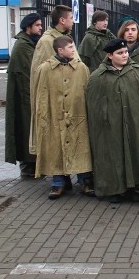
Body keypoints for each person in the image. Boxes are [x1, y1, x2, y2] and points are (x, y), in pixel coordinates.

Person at [86, 38, 139, 202]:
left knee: (136, 152)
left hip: (135, 122)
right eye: (120, 53)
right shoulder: (98, 76)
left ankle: (138, 186)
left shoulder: (138, 72)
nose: (124, 55)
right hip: (110, 125)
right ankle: (116, 189)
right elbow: (93, 104)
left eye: (125, 52)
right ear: (110, 55)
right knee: (114, 156)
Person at [31, 35, 93, 199]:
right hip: (54, 117)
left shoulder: (81, 68)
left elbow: (87, 92)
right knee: (55, 149)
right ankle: (58, 183)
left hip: (77, 116)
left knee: (80, 148)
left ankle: (85, 181)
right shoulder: (45, 69)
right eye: (71, 48)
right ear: (60, 50)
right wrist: (43, 116)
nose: (74, 50)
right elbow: (41, 95)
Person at [5, 12, 42, 180]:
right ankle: (28, 167)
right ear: (28, 28)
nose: (41, 28)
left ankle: (33, 165)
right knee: (26, 130)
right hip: (25, 97)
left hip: (30, 95)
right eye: (37, 26)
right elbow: (27, 74)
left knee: (31, 130)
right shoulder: (22, 46)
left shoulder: (31, 43)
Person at [31, 5, 80, 75]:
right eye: (71, 18)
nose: (73, 21)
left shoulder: (67, 38)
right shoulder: (46, 41)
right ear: (62, 20)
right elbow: (38, 72)